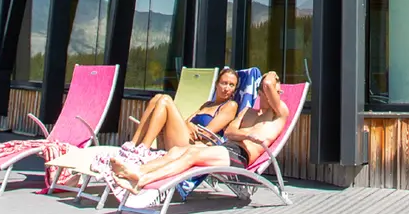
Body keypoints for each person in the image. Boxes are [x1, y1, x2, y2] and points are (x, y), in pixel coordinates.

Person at [106, 70, 290, 197]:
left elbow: (267, 82)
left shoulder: (279, 114)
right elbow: (231, 132)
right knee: (176, 152)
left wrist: (272, 75)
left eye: (271, 92)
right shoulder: (248, 112)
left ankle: (141, 179)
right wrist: (247, 135)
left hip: (240, 155)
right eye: (262, 93)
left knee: (191, 154)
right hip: (227, 147)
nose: (266, 95)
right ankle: (137, 171)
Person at [126, 67, 241, 153]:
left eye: (231, 85)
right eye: (224, 83)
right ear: (217, 84)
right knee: (157, 98)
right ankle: (134, 143)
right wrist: (189, 125)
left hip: (194, 146)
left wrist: (189, 125)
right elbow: (186, 122)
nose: (227, 88)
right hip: (182, 138)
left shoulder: (230, 106)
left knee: (165, 99)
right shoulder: (207, 104)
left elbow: (206, 133)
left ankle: (144, 147)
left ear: (235, 89)